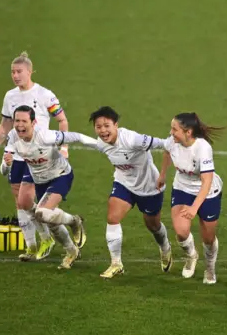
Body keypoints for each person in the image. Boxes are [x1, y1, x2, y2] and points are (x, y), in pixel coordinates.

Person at [0, 52, 82, 262]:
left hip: (38, 157)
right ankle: (37, 243)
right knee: (21, 203)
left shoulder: (45, 94)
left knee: (32, 204)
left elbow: (62, 121)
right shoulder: (10, 97)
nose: (15, 75)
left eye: (19, 71)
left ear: (29, 72)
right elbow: (5, 125)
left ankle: (53, 237)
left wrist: (64, 148)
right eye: (12, 72)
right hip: (17, 153)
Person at [70, 106, 174, 278]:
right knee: (112, 217)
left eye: (106, 125)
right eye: (98, 126)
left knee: (153, 225)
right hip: (124, 184)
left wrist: (173, 141)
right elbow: (84, 140)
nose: (103, 130)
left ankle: (165, 247)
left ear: (116, 125)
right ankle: (116, 263)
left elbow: (163, 144)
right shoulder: (102, 144)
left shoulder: (133, 139)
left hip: (149, 187)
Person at [2, 106, 90, 270]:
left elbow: (74, 136)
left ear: (33, 122)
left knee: (42, 213)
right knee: (41, 214)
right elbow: (3, 170)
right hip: (38, 175)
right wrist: (6, 164)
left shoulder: (44, 135)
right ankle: (71, 251)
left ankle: (73, 222)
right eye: (17, 121)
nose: (20, 124)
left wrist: (101, 144)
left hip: (59, 174)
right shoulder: (13, 136)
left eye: (24, 121)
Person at [158, 113, 224, 284]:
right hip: (182, 188)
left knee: (208, 238)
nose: (171, 132)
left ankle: (209, 269)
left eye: (175, 129)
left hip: (208, 192)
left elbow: (207, 180)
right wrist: (163, 174)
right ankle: (191, 255)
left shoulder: (202, 148)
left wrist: (195, 207)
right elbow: (166, 151)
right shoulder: (172, 142)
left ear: (188, 132)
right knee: (181, 232)